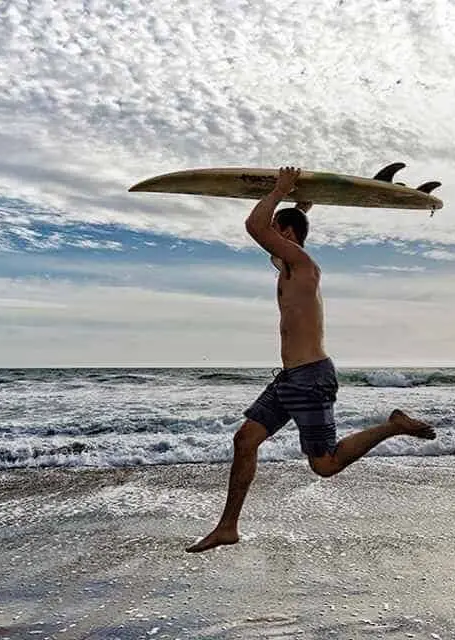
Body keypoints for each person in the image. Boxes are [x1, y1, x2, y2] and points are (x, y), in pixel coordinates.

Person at [186, 166, 437, 553]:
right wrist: (303, 201)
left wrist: (281, 190)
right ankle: (227, 527)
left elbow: (255, 226)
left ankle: (393, 425)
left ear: (286, 236)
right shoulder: (287, 266)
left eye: (278, 234)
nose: (270, 243)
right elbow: (275, 228)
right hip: (289, 380)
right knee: (245, 439)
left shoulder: (304, 266)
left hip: (311, 378)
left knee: (325, 465)